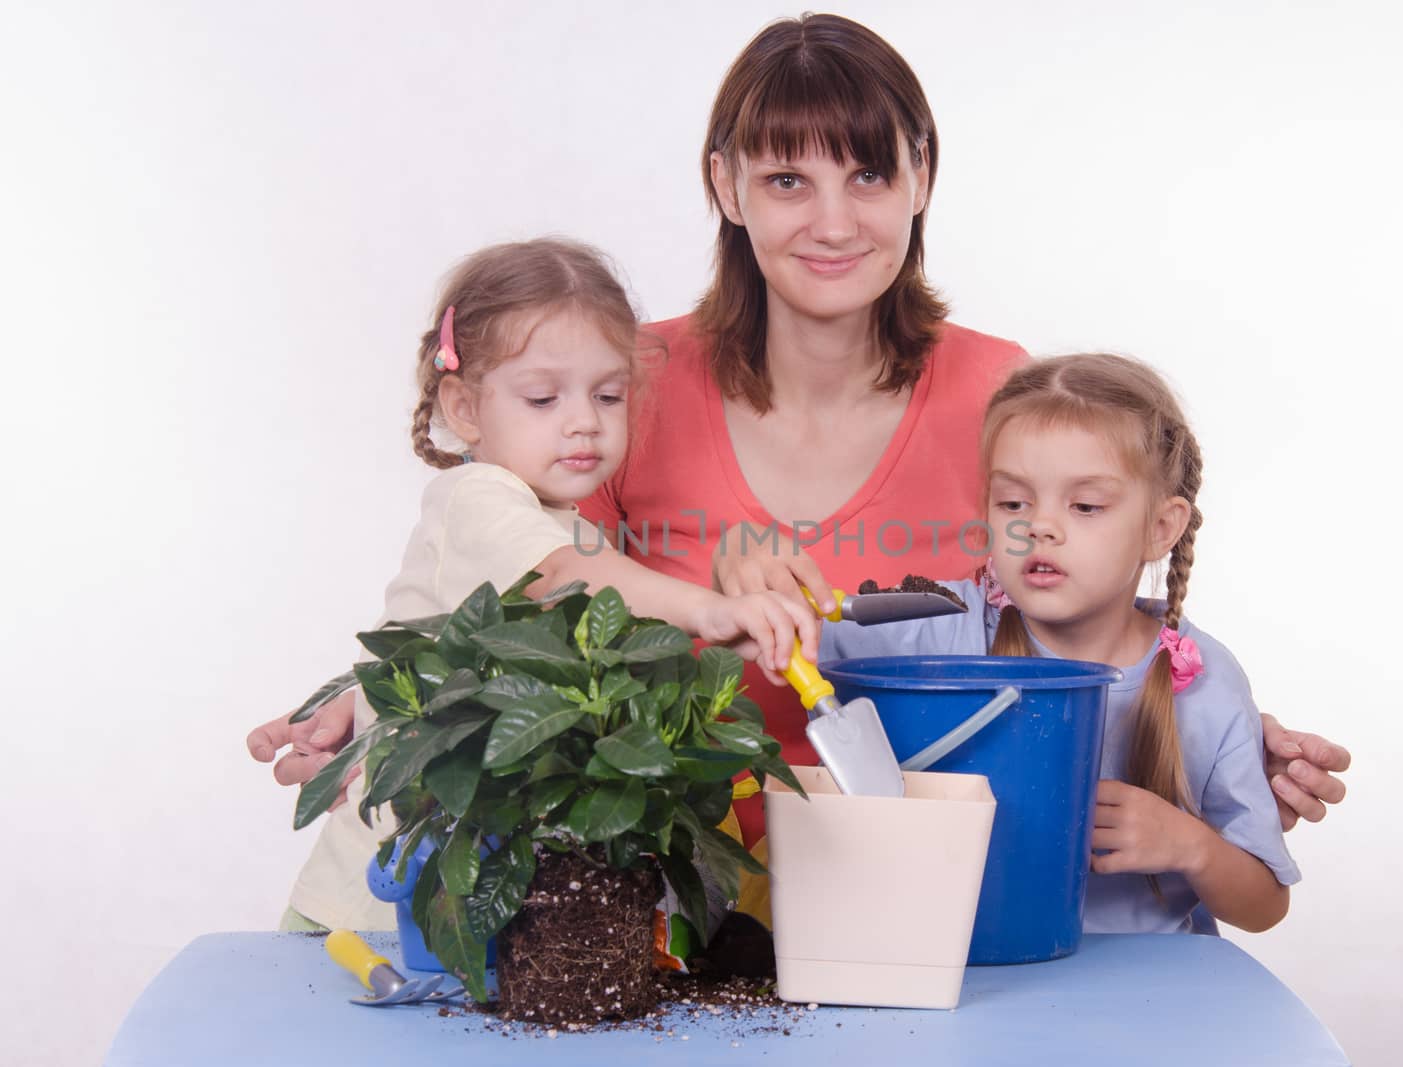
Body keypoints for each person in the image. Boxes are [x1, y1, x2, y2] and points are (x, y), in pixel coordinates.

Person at [249, 13, 1347, 858]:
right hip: (658, 880)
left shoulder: (1005, 392)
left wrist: (1196, 720)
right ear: (725, 185)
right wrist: (366, 698)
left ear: (921, 175)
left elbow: (1079, 603)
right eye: (786, 178)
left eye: (868, 173)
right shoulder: (619, 385)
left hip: (928, 883)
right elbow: (512, 593)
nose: (832, 221)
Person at [281, 237, 819, 931]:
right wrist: (708, 610)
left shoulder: (574, 531)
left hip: (470, 896)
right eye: (542, 397)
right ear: (465, 407)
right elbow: (562, 579)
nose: (584, 422)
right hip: (368, 909)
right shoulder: (478, 498)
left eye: (608, 394)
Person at [822, 353, 1295, 933]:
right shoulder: (943, 620)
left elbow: (1264, 907)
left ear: (1161, 528)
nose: (1039, 527)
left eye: (1085, 505)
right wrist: (751, 589)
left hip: (1147, 999)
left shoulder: (1205, 682)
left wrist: (1192, 846)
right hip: (969, 981)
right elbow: (786, 630)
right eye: (1014, 503)